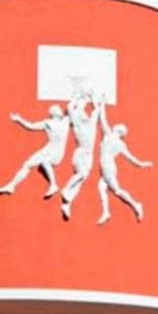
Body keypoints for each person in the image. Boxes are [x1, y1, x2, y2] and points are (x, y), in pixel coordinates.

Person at [94, 102, 153, 225]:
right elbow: (132, 159)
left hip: (108, 167)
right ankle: (106, 212)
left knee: (116, 190)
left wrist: (102, 105)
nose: (114, 125)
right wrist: (142, 164)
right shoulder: (113, 138)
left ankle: (136, 205)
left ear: (119, 131)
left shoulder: (110, 136)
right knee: (101, 188)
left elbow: (103, 118)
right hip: (106, 166)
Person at [0, 104, 71, 198]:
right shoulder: (48, 123)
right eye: (58, 109)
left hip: (57, 151)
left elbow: (71, 107)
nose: (60, 110)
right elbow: (31, 126)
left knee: (45, 161)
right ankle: (11, 186)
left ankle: (53, 185)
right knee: (27, 164)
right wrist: (19, 120)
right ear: (54, 113)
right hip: (47, 149)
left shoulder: (65, 121)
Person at [59, 91, 101, 220]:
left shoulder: (91, 123)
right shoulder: (78, 124)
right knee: (82, 174)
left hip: (89, 155)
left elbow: (97, 110)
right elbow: (70, 108)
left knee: (82, 179)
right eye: (82, 110)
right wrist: (76, 98)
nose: (84, 112)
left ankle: (67, 204)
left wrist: (93, 99)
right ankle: (65, 190)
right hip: (80, 153)